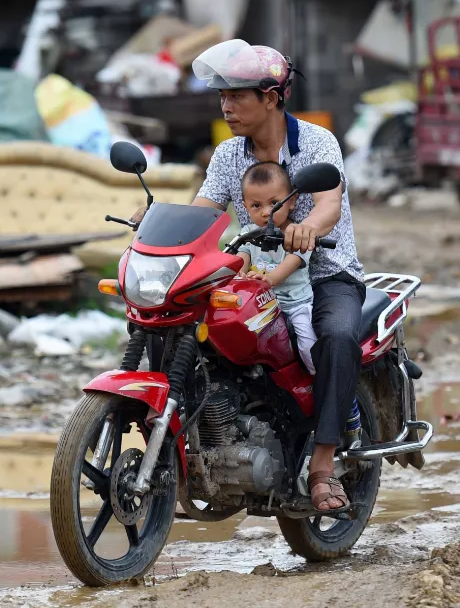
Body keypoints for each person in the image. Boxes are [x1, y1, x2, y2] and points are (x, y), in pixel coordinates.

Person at [133, 40, 363, 512]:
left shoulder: (317, 143)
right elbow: (204, 211)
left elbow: (329, 204)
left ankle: (322, 465)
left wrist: (305, 230)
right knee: (179, 325)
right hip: (254, 276)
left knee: (337, 337)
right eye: (222, 96)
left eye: (237, 95)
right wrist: (159, 221)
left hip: (324, 276)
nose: (226, 105)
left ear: (272, 97)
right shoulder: (227, 155)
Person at [236, 161, 318, 375]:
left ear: (291, 201)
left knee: (308, 345)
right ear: (245, 206)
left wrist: (269, 280)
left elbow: (291, 263)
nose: (265, 212)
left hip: (295, 303)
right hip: (262, 306)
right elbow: (242, 254)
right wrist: (239, 273)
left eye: (274, 203)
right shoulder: (249, 231)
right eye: (256, 206)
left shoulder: (298, 233)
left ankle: (323, 382)